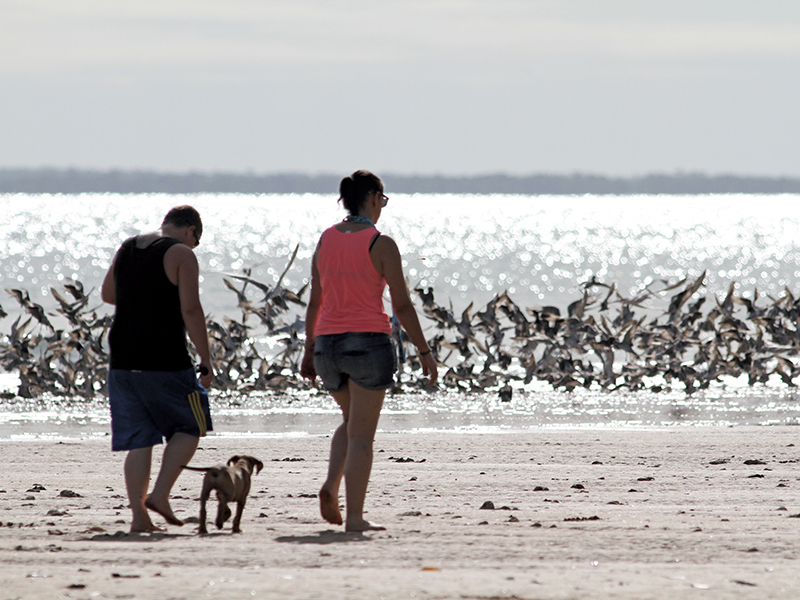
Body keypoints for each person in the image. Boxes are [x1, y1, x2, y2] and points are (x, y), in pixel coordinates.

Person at [300, 170, 438, 532]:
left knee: (350, 423)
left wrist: (308, 348)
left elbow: (315, 301)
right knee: (362, 434)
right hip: (366, 344)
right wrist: (424, 351)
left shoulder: (326, 239)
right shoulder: (381, 243)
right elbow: (403, 307)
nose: (383, 207)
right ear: (374, 198)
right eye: (383, 200)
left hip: (327, 345)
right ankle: (356, 518)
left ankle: (331, 484)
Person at [101, 205, 215, 533]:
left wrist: (142, 296)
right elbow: (191, 309)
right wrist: (206, 359)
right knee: (191, 426)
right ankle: (161, 494)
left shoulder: (127, 247)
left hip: (122, 358)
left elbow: (109, 294)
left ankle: (140, 518)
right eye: (196, 241)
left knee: (140, 440)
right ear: (192, 231)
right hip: (165, 359)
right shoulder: (181, 253)